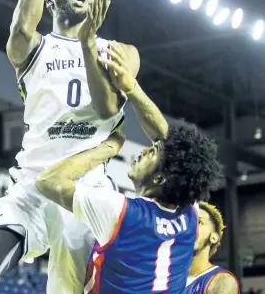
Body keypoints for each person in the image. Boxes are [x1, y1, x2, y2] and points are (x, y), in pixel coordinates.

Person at [0, 0, 144, 294]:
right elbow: (19, 29)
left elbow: (109, 107)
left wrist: (89, 45)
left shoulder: (120, 51)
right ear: (51, 0)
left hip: (85, 188)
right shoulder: (35, 48)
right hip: (33, 180)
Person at [36, 43, 222, 293]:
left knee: (70, 233)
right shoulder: (187, 213)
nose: (144, 150)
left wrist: (105, 150)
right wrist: (129, 86)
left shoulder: (119, 212)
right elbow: (171, 144)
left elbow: (47, 181)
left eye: (152, 154)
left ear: (159, 180)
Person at [185, 202, 239, 294]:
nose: (190, 227)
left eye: (199, 222)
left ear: (213, 238)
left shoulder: (221, 280)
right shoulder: (164, 280)